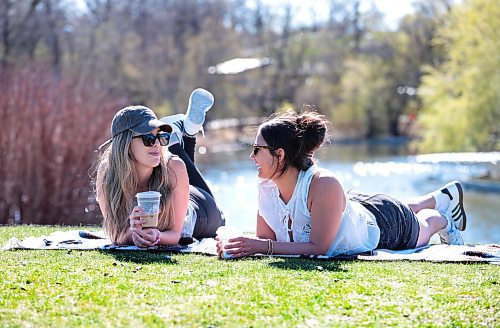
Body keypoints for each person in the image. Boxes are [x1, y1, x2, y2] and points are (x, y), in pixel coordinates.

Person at [217, 108, 467, 258]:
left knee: (422, 226)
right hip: (354, 209)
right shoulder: (267, 187)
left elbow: (320, 247)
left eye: (256, 149)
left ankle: (443, 215)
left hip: (386, 226)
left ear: (279, 154)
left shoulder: (324, 184)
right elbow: (266, 240)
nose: (251, 157)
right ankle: (443, 195)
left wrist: (261, 246)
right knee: (402, 207)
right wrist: (236, 246)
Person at [96, 88, 224, 247]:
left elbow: (175, 235)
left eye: (161, 136)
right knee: (174, 166)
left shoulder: (174, 166)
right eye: (148, 138)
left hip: (201, 214)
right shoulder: (106, 172)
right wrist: (134, 234)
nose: (157, 143)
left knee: (176, 165)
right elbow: (114, 232)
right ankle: (188, 131)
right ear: (125, 143)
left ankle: (187, 134)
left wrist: (155, 235)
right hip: (176, 187)